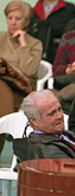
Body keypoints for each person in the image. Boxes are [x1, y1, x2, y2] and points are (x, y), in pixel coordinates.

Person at [0, 1, 42, 151]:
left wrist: (23, 45)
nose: (13, 22)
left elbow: (29, 71)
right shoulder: (0, 38)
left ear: (27, 22)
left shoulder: (35, 44)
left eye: (18, 19)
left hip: (23, 91)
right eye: (10, 18)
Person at [21, 90, 75, 160]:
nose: (60, 116)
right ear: (34, 121)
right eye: (52, 113)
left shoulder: (61, 135)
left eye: (59, 109)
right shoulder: (46, 150)